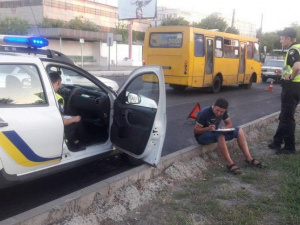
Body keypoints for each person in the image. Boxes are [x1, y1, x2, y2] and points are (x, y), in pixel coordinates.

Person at [194, 98, 263, 175]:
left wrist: (225, 128)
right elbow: (196, 130)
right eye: (217, 110)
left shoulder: (223, 112)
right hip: (202, 137)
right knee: (220, 134)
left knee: (239, 130)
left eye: (222, 112)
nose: (219, 113)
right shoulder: (204, 112)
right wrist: (208, 128)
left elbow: (229, 124)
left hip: (215, 133)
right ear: (214, 106)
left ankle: (249, 158)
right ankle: (230, 164)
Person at [268, 27, 300, 155]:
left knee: (287, 117)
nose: (280, 41)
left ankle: (289, 147)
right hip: (297, 87)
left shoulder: (293, 50)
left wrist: (290, 77)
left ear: (288, 38)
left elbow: (297, 66)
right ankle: (277, 141)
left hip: (292, 86)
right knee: (284, 115)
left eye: (281, 39)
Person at [49, 72, 85, 151]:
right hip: (55, 129)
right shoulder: (57, 98)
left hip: (46, 124)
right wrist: (74, 119)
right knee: (78, 122)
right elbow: (61, 121)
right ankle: (76, 144)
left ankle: (75, 141)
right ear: (58, 83)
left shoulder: (39, 93)